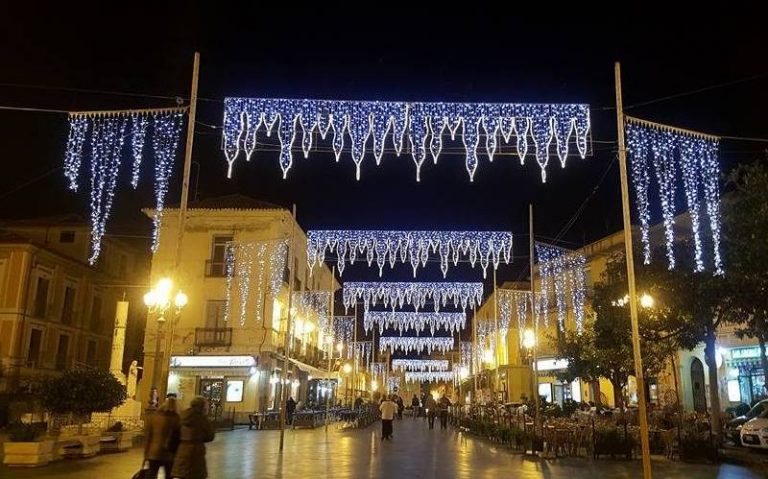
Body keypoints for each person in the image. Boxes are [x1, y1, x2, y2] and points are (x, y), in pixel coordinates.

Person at [171, 396, 216, 479]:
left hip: (182, 450)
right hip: (196, 452)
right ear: (203, 407)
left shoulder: (182, 416)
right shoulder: (202, 419)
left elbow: (173, 436)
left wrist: (176, 451)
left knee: (182, 475)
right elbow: (210, 436)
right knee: (196, 474)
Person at [143, 397, 180, 479]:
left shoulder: (155, 417)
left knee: (151, 474)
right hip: (169, 453)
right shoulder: (177, 419)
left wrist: (146, 453)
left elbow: (148, 436)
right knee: (169, 475)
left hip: (154, 452)